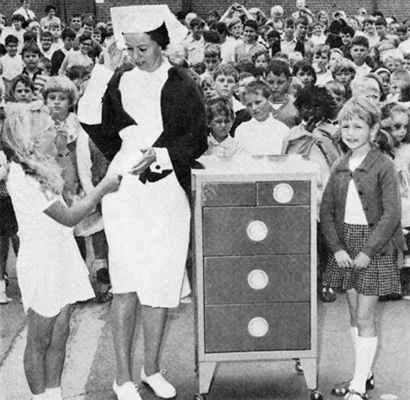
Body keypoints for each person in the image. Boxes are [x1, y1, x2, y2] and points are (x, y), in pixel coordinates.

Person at [77, 5, 207, 400]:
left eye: (143, 49)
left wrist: (163, 157)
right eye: (129, 48)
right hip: (127, 192)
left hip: (167, 194)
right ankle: (122, 376)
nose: (134, 56)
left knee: (161, 283)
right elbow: (89, 117)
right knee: (127, 285)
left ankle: (151, 368)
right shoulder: (117, 80)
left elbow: (195, 137)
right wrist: (102, 70)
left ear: (161, 45)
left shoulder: (183, 83)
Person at [2, 100, 121, 400]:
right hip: (42, 260)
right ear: (31, 140)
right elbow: (68, 216)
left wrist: (62, 148)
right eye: (47, 130)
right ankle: (39, 396)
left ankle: (53, 392)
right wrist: (101, 188)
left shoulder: (41, 168)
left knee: (61, 331)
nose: (55, 131)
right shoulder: (24, 177)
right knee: (40, 338)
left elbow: (65, 183)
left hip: (61, 253)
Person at [320, 97, 405, 400]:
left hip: (374, 248)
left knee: (366, 317)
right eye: (345, 125)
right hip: (346, 247)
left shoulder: (383, 165)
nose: (351, 132)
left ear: (372, 130)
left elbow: (391, 214)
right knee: (355, 317)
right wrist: (337, 248)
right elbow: (327, 212)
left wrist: (368, 250)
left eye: (358, 126)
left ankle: (357, 387)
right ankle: (363, 374)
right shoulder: (339, 165)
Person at [235, 80, 289, 155]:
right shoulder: (241, 130)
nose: (254, 108)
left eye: (258, 102)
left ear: (269, 100)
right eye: (249, 105)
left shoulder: (283, 130)